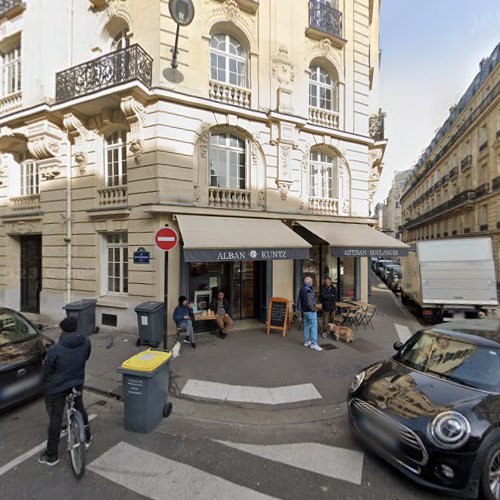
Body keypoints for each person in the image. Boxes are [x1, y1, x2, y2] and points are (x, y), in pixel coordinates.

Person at [38, 316, 91, 466]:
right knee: (79, 407)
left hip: (58, 388)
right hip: (77, 382)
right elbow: (85, 357)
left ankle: (51, 455)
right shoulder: (86, 341)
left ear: (63, 330)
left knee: (55, 419)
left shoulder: (55, 349)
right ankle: (86, 437)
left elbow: (48, 370)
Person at [297, 276, 322, 351]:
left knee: (306, 326)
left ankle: (306, 341)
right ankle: (314, 344)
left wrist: (299, 310)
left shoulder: (302, 289)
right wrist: (313, 310)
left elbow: (299, 300)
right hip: (310, 311)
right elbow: (310, 302)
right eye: (312, 281)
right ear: (310, 282)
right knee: (314, 327)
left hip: (304, 311)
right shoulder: (308, 290)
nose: (312, 282)